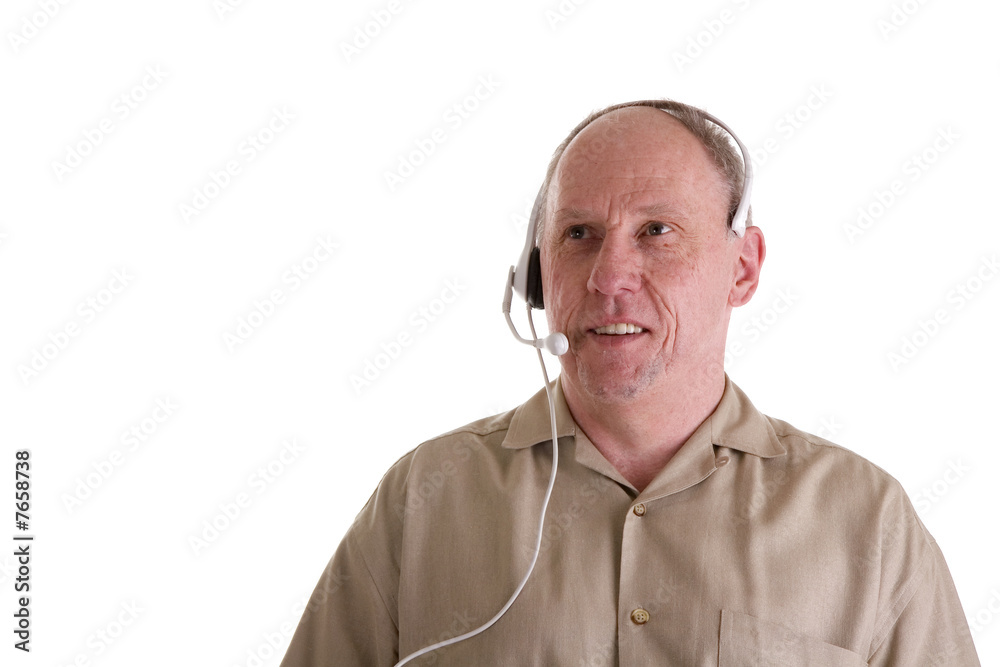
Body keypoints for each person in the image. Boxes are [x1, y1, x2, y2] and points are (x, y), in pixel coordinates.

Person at [279, 100, 981, 665]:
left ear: (743, 267)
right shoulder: (423, 499)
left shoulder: (867, 520)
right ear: (535, 272)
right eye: (579, 233)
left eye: (656, 231)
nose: (609, 279)